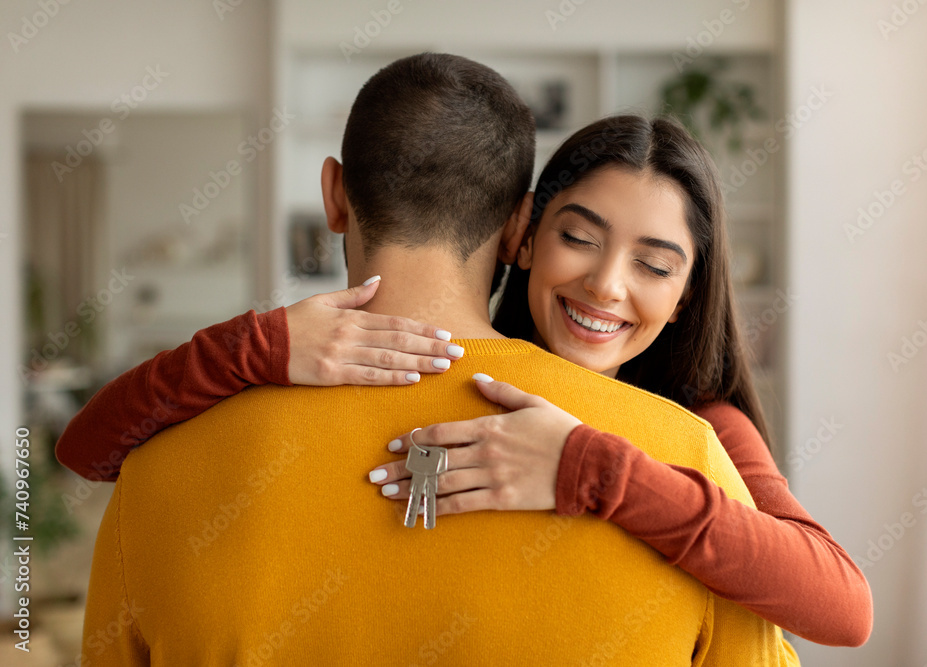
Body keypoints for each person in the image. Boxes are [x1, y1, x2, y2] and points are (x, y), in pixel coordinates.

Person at [69, 53, 798, 665]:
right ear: (521, 224)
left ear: (333, 195)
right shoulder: (684, 456)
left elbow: (83, 445)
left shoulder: (159, 465)